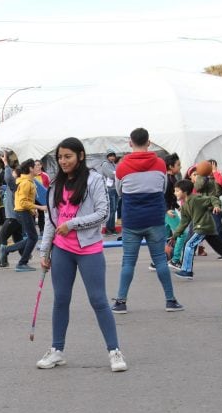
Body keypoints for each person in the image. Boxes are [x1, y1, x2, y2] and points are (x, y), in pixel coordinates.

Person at [35, 137, 127, 372]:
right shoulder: (55, 185)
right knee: (61, 300)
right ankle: (57, 350)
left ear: (80, 156)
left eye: (68, 156)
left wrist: (73, 224)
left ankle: (114, 351)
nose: (63, 161)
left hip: (89, 249)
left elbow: (103, 214)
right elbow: (51, 220)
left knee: (98, 300)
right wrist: (45, 251)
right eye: (60, 157)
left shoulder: (94, 180)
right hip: (62, 250)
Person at [112, 127, 184, 314]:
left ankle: (121, 302)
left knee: (128, 262)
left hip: (132, 220)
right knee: (160, 259)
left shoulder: (121, 167)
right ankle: (170, 300)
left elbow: (120, 192)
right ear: (149, 142)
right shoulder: (160, 164)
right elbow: (162, 188)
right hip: (154, 219)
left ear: (130, 143)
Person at [170, 179, 222, 280]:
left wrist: (216, 206)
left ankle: (186, 271)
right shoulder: (184, 206)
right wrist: (175, 235)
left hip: (203, 227)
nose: (175, 193)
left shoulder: (197, 199)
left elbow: (213, 198)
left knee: (189, 244)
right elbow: (184, 223)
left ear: (185, 192)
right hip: (206, 229)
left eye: (177, 190)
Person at [0, 154, 24, 269]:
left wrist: (5, 163)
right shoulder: (14, 186)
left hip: (13, 217)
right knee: (18, 238)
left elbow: (8, 178)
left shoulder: (15, 184)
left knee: (1, 239)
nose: (11, 173)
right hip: (16, 216)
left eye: (14, 172)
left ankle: (2, 261)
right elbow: (7, 195)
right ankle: (25, 256)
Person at [96, 149, 118, 234]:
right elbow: (110, 175)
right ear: (107, 156)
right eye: (110, 156)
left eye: (113, 155)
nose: (112, 157)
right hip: (109, 189)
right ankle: (109, 228)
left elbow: (117, 174)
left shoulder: (113, 164)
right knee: (111, 209)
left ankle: (112, 228)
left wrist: (115, 173)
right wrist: (116, 173)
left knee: (115, 209)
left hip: (115, 188)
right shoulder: (105, 164)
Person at [33, 159, 51, 232]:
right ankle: (32, 231)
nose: (37, 166)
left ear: (41, 165)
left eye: (38, 165)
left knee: (41, 214)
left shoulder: (45, 175)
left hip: (42, 198)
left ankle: (42, 230)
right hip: (33, 198)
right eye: (35, 165)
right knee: (32, 214)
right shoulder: (31, 175)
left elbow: (49, 187)